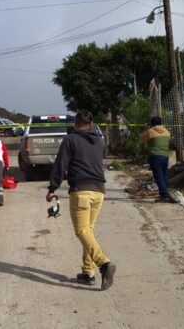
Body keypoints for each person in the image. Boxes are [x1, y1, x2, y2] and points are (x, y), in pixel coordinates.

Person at [47, 110, 116, 290]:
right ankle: (88, 272)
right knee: (88, 231)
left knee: (81, 231)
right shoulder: (100, 141)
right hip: (99, 192)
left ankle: (104, 263)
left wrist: (52, 188)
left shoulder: (71, 140)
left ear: (75, 124)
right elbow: (103, 156)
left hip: (81, 191)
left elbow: (61, 164)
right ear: (92, 124)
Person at [139, 116, 173, 203]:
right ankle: (164, 193)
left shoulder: (150, 131)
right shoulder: (166, 132)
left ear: (152, 123)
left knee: (158, 176)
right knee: (163, 175)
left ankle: (165, 195)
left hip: (155, 156)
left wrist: (146, 129)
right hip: (165, 156)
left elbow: (141, 139)